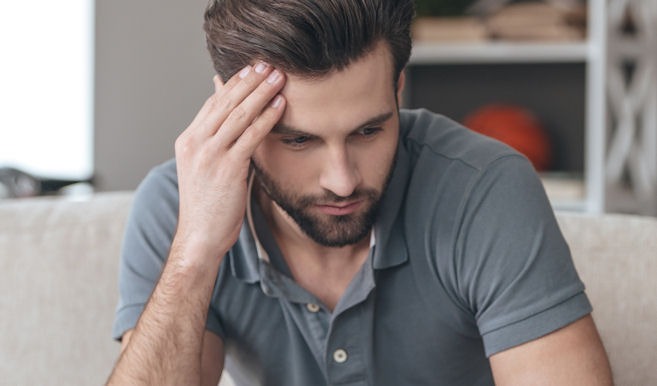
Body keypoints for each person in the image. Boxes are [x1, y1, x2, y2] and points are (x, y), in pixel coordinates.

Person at [107, 1, 613, 385]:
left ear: (397, 90)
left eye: (368, 131)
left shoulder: (484, 189)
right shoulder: (177, 207)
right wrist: (195, 252)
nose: (343, 180)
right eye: (299, 140)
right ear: (230, 109)